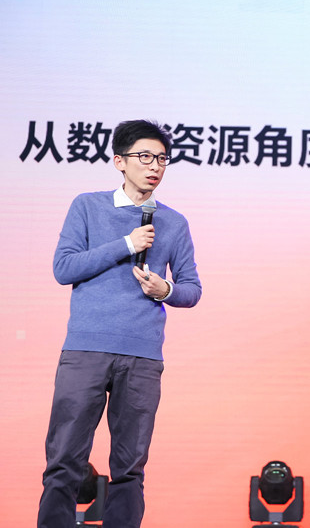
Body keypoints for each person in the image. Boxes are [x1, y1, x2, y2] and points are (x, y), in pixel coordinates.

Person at [38, 120, 202, 527]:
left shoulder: (174, 222)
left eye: (162, 159)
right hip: (86, 350)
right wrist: (127, 244)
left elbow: (192, 289)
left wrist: (165, 289)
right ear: (119, 161)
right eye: (145, 157)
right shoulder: (87, 206)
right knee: (64, 461)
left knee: (130, 469)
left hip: (142, 355)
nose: (155, 166)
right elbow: (64, 268)